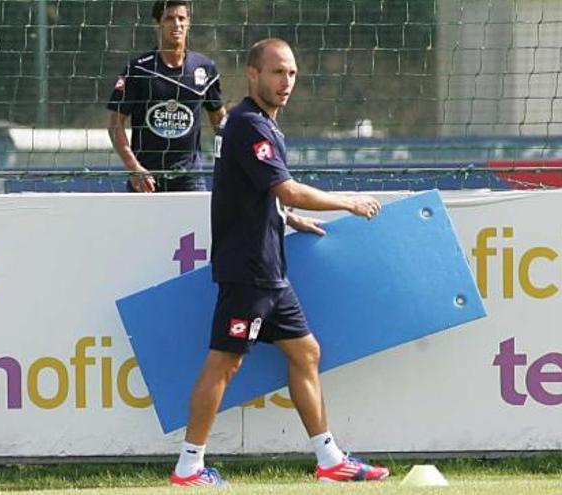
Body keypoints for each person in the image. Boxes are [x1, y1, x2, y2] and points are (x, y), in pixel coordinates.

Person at [170, 38, 389, 487]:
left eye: (291, 73)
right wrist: (345, 202)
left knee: (306, 352)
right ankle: (189, 467)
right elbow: (284, 187)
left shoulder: (264, 126)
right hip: (249, 273)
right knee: (224, 364)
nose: (285, 81)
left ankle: (329, 460)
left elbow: (255, 193)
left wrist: (291, 218)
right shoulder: (249, 124)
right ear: (253, 75)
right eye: (276, 72)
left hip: (270, 271)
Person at [107, 0, 226, 192]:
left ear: (189, 22)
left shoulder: (205, 68)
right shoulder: (138, 70)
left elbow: (219, 120)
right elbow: (115, 123)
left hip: (190, 180)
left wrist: (231, 158)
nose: (177, 24)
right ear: (157, 23)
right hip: (146, 180)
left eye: (181, 18)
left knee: (197, 222)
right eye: (170, 18)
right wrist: (134, 167)